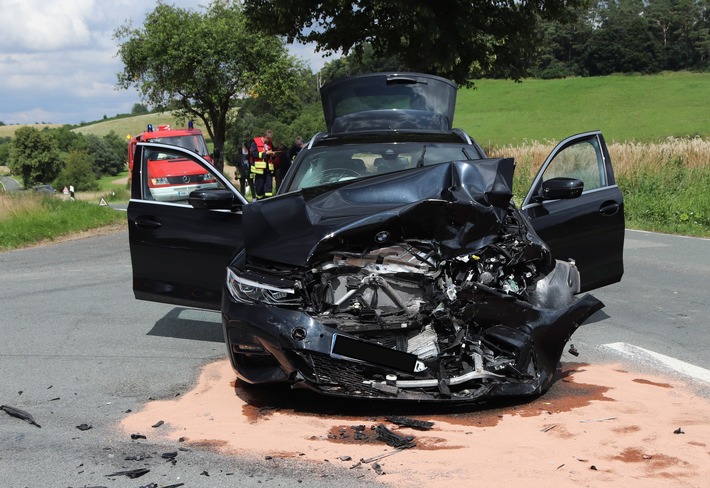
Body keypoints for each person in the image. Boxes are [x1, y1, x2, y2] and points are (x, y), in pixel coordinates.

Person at [249, 129, 276, 200]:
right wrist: (265, 154)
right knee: (259, 188)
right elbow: (253, 154)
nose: (270, 141)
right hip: (259, 170)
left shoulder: (270, 144)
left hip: (268, 169)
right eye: (269, 139)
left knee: (269, 188)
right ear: (265, 137)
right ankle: (259, 201)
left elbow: (272, 152)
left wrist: (273, 155)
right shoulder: (255, 143)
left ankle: (268, 202)